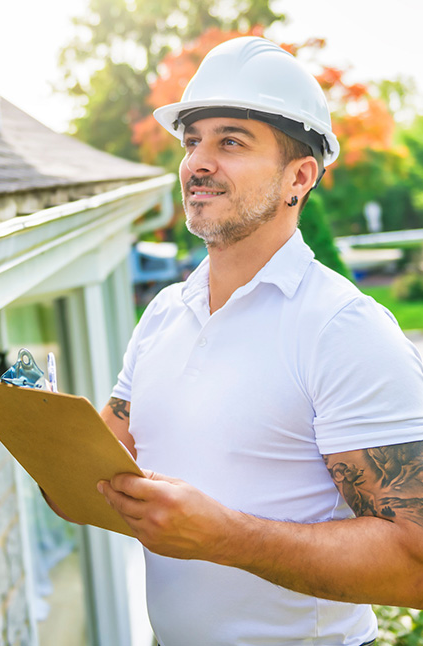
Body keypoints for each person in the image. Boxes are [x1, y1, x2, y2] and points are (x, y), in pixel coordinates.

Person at [90, 36, 423, 645]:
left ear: (300, 176)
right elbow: (105, 456)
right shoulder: (165, 314)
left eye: (231, 141)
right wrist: (41, 431)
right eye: (193, 141)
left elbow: (415, 561)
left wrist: (225, 537)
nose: (198, 162)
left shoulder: (343, 329)